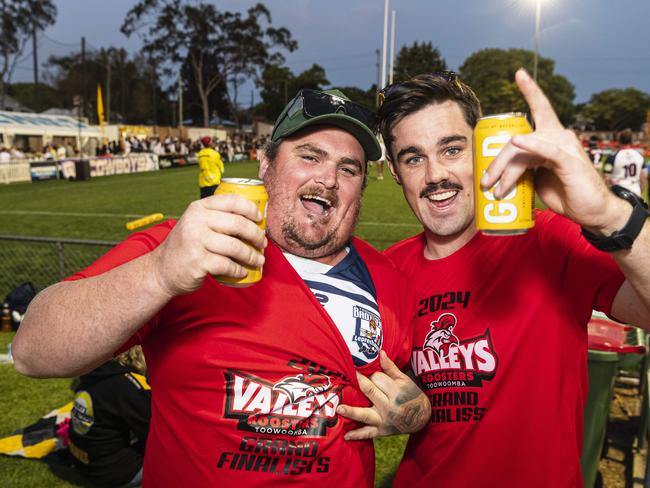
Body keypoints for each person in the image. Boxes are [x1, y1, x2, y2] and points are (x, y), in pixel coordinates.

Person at [12, 88, 429, 487]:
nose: (328, 179)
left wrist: (414, 412)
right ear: (266, 163)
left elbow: (412, 383)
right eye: (310, 156)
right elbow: (33, 351)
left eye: (348, 168)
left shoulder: (388, 280)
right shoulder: (183, 249)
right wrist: (161, 273)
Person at [370, 69, 650, 487]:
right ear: (394, 171)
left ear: (482, 150)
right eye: (414, 157)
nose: (434, 176)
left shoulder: (551, 240)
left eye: (451, 150)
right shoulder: (386, 269)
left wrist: (607, 215)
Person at [68, 346, 151, 488]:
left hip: (81, 460)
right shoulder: (128, 386)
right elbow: (154, 432)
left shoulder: (93, 371)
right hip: (110, 473)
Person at [603, 129, 647, 198]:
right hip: (635, 190)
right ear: (631, 141)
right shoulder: (639, 156)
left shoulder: (612, 156)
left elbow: (606, 177)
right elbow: (643, 176)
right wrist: (640, 191)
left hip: (618, 192)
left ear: (619, 141)